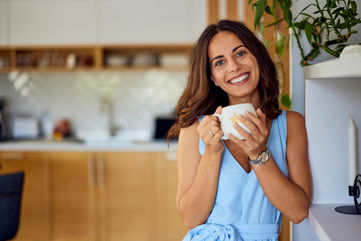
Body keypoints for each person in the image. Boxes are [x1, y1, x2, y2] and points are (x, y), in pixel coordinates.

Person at [167, 20, 312, 241]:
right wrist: (212, 152)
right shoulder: (194, 130)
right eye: (219, 62)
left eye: (240, 53)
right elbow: (191, 218)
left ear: (257, 57)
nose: (233, 67)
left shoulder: (291, 124)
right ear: (213, 78)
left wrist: (259, 154)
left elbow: (298, 211)